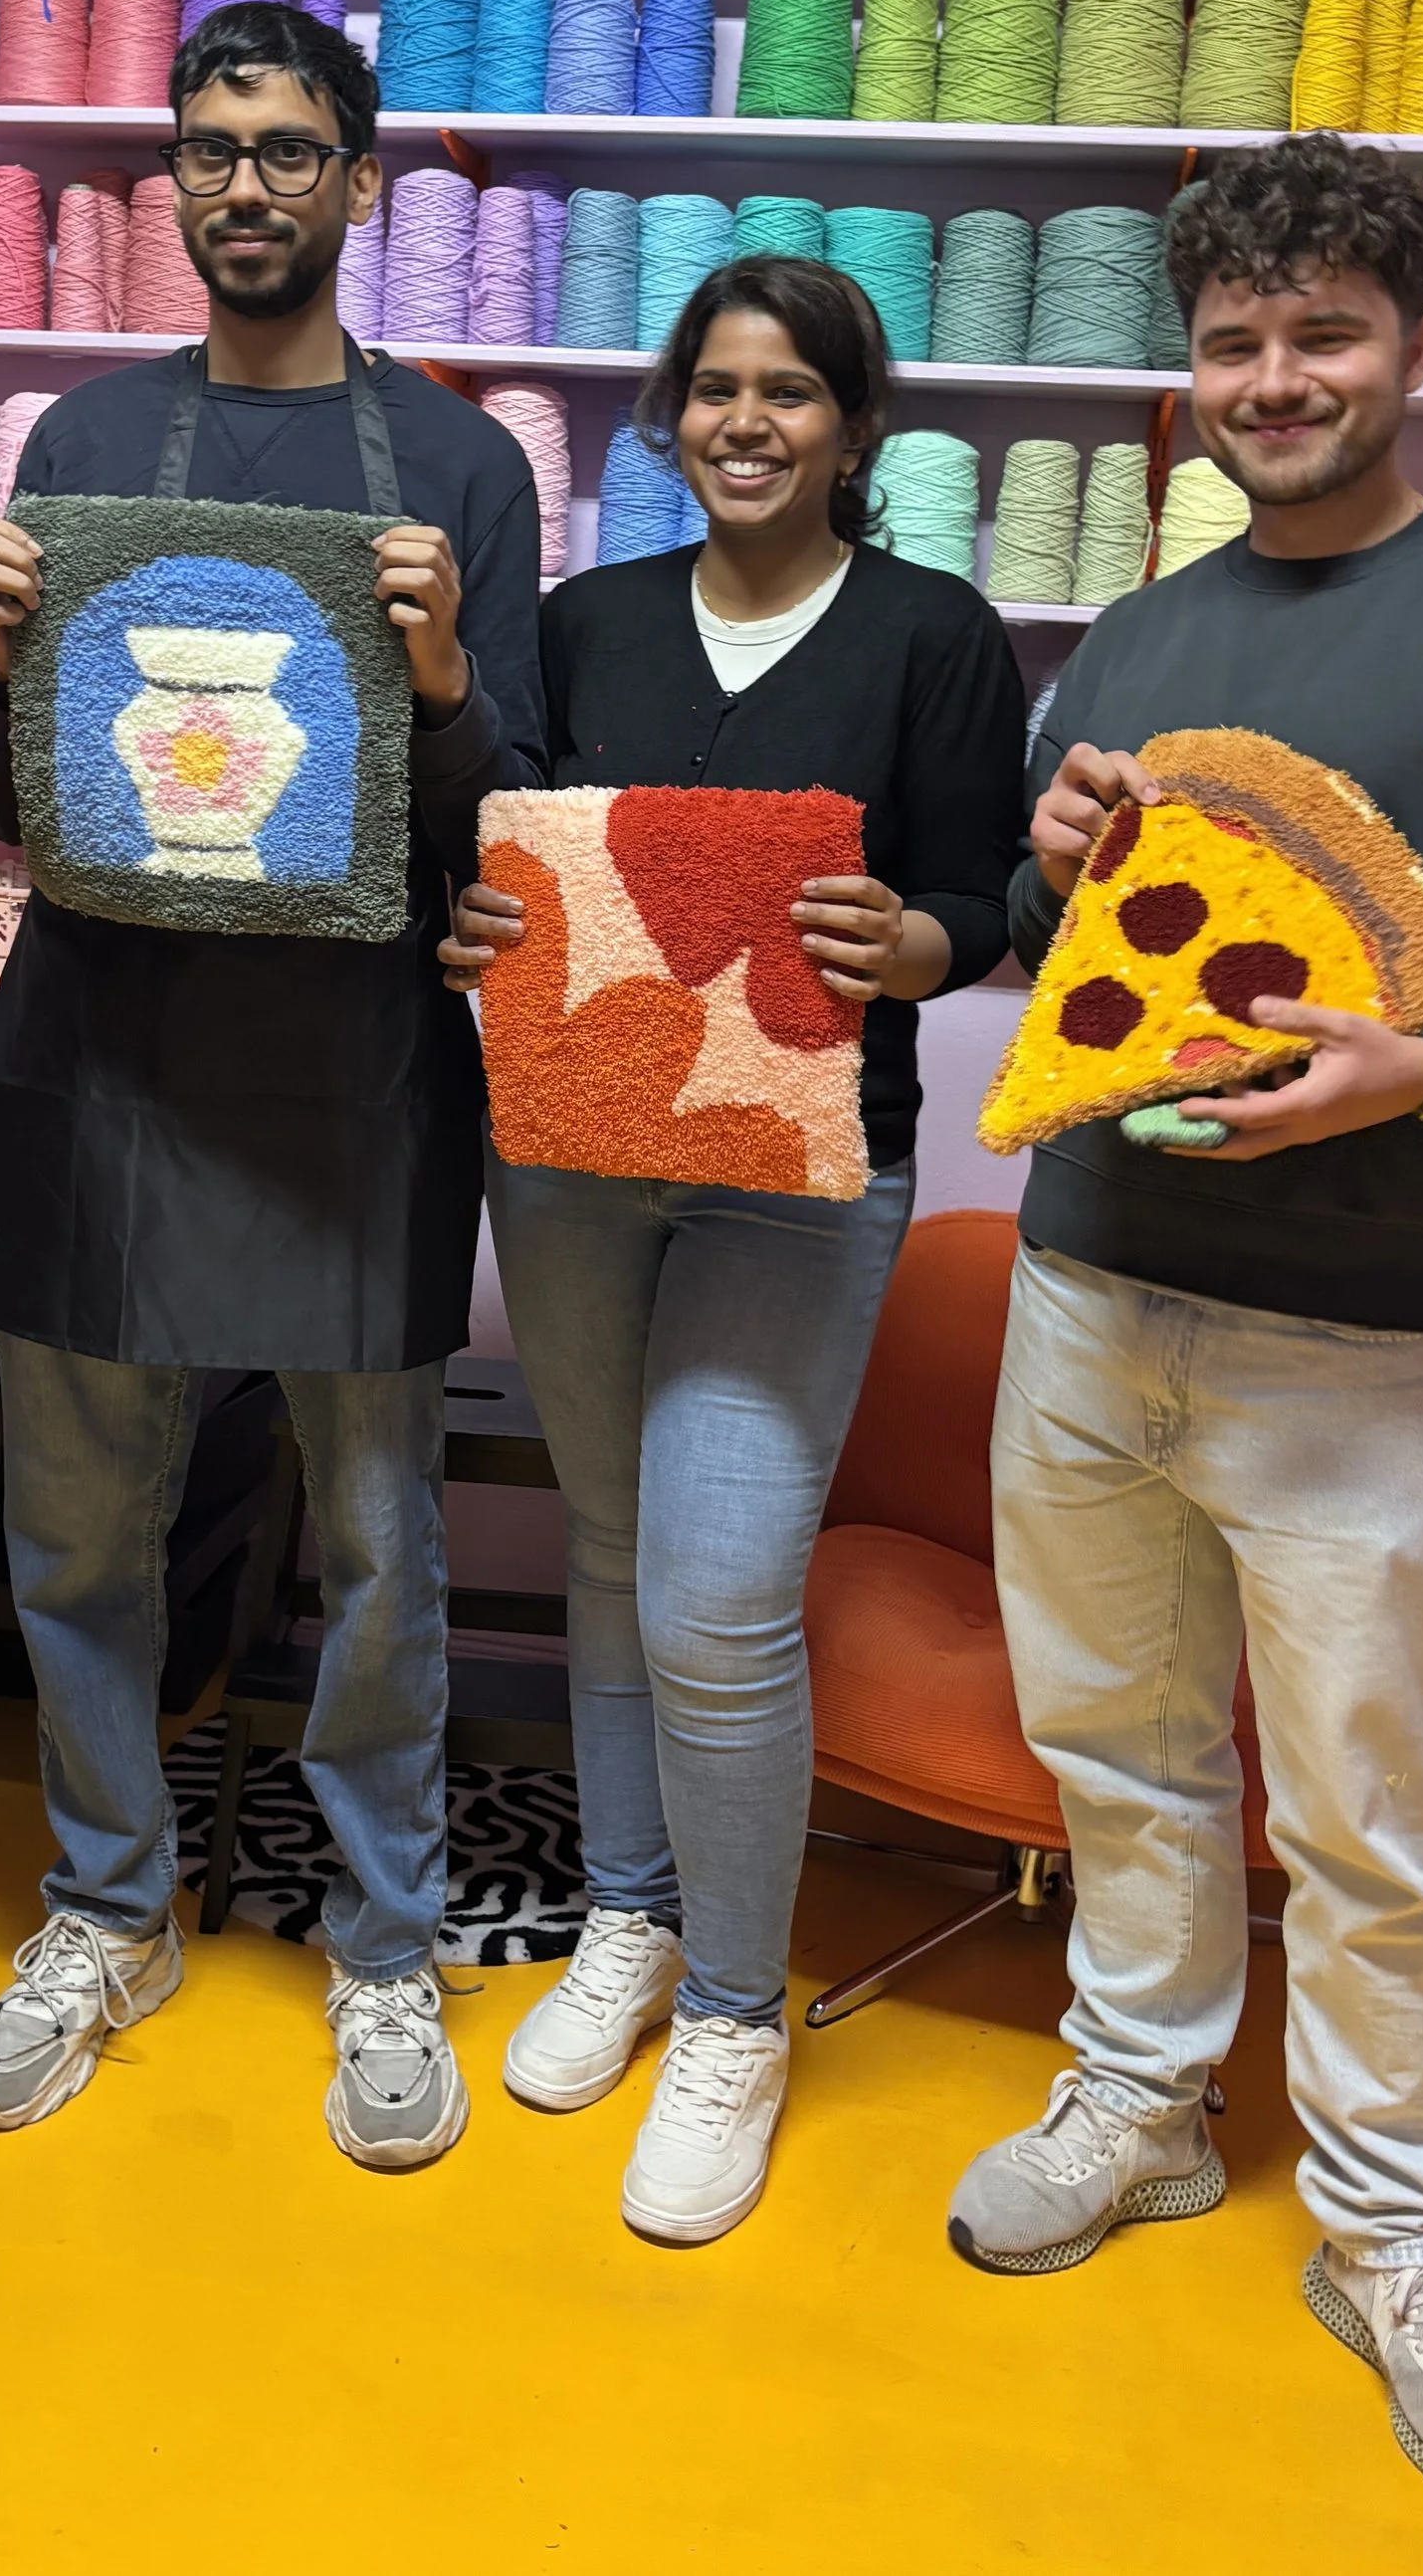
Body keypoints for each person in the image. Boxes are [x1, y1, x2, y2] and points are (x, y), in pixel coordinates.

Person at [949, 134, 1423, 2523]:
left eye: (1320, 333)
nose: (1274, 378)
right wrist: (1041, 864)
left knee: (1370, 1821)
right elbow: (1048, 939)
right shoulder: (1149, 631)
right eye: (1234, 342)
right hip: (1087, 1283)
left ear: (1411, 341)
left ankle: (1391, 2235)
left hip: (1365, 1334)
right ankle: (1143, 2099)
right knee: (1117, 1747)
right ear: (1194, 370)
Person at [0, 3, 544, 2170]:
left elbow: (507, 820)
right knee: (79, 1535)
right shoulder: (75, 442)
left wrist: (452, 677)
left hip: (352, 1087)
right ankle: (107, 1908)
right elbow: (7, 804)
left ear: (357, 181)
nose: (248, 184)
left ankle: (384, 1945)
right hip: (103, 1072)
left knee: (381, 1559)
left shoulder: (460, 469)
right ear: (169, 179)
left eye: (290, 146)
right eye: (210, 146)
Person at [441, 258, 1027, 2244]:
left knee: (711, 1589)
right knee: (606, 1544)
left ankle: (727, 2007)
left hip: (803, 1168)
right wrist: (477, 932)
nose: (746, 420)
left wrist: (924, 944)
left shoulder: (931, 635)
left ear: (852, 428)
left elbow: (988, 894)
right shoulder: (581, 625)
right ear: (667, 417)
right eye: (711, 387)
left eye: (789, 389)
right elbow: (501, 851)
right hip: (578, 1154)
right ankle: (623, 1913)